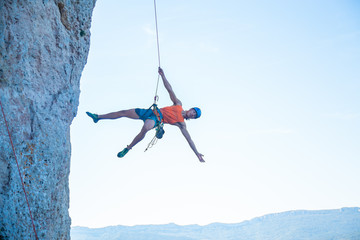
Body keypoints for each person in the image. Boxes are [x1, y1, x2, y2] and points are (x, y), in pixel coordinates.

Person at [86, 67, 205, 162]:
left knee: (146, 127)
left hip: (156, 119)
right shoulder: (178, 104)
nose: (193, 114)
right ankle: (98, 117)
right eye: (194, 111)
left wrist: (197, 154)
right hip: (151, 111)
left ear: (192, 118)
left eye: (194, 115)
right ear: (191, 109)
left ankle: (128, 148)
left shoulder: (182, 124)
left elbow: (189, 139)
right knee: (124, 112)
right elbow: (170, 90)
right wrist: (163, 76)